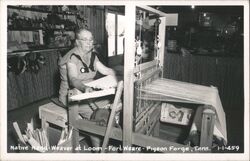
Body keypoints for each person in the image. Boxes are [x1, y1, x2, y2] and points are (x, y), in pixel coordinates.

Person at [58, 28, 116, 150]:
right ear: (77, 42)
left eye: (91, 39)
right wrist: (84, 88)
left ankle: (110, 143)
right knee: (96, 120)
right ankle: (99, 151)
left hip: (89, 92)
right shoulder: (72, 58)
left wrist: (121, 76)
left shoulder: (92, 55)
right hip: (73, 94)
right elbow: (73, 79)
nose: (89, 42)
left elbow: (106, 70)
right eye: (85, 40)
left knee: (112, 107)